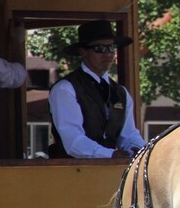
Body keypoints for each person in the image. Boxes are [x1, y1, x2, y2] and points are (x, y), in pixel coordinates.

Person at [49, 20, 145, 158]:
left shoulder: (121, 92)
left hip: (109, 172)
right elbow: (73, 141)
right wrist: (111, 154)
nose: (108, 54)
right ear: (83, 52)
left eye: (112, 48)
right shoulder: (65, 89)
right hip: (69, 172)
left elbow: (128, 135)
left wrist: (143, 152)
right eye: (99, 49)